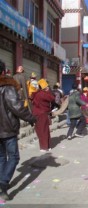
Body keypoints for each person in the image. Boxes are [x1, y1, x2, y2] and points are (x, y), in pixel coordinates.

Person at [0, 59, 36, 201]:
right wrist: (31, 118)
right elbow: (17, 107)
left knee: (1, 157)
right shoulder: (7, 87)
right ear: (3, 72)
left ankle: (2, 181)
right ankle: (3, 184)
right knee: (14, 157)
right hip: (7, 129)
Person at [31, 79, 55, 152]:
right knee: (44, 130)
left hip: (37, 113)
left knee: (42, 130)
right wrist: (48, 90)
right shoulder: (43, 94)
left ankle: (46, 146)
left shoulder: (36, 93)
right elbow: (52, 98)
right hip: (42, 114)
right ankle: (45, 147)